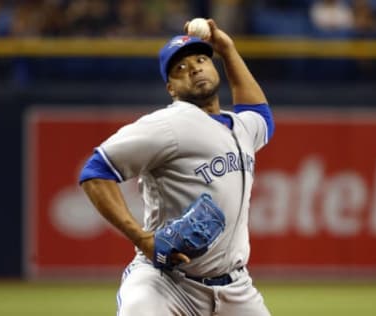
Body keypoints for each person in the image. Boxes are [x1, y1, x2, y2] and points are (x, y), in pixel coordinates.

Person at [79, 19, 274, 315]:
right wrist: (142, 238)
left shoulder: (241, 126)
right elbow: (96, 171)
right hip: (166, 284)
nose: (194, 68)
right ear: (171, 88)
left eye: (201, 59)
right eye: (180, 68)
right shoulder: (167, 125)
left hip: (236, 288)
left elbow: (260, 115)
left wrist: (228, 49)